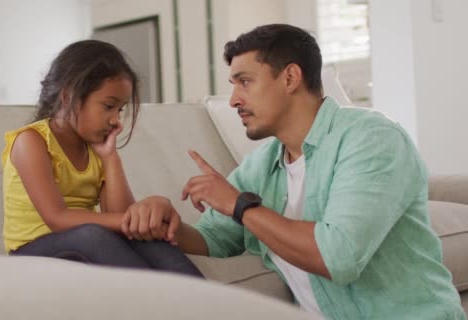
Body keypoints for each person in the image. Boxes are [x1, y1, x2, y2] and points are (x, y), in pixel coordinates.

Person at [121, 24, 465, 319]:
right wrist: (169, 224)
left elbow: (338, 257)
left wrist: (239, 205)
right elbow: (216, 237)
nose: (233, 100)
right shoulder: (262, 164)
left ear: (290, 77)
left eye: (244, 82)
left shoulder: (371, 139)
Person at [1, 39, 202, 278]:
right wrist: (128, 222)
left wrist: (110, 158)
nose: (116, 120)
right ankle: (153, 303)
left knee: (146, 238)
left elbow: (120, 213)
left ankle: (205, 304)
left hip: (80, 241)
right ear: (69, 97)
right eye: (108, 106)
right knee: (94, 234)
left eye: (120, 110)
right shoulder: (32, 142)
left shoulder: (95, 149)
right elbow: (57, 218)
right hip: (31, 250)